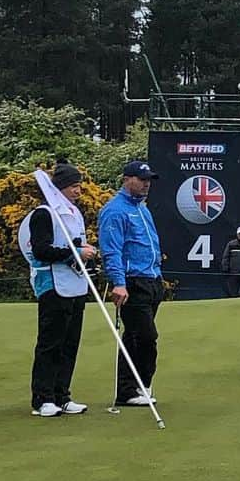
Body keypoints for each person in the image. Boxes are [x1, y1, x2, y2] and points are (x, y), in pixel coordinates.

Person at [18, 160, 94, 417]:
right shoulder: (44, 214)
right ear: (59, 188)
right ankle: (43, 398)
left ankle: (62, 395)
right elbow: (41, 250)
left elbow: (74, 245)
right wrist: (75, 253)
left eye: (79, 185)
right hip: (52, 284)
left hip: (75, 284)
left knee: (70, 343)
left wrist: (83, 252)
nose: (78, 190)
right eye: (73, 186)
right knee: (51, 343)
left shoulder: (73, 213)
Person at [98, 160, 164, 407]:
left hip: (151, 279)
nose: (146, 184)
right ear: (127, 179)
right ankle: (141, 384)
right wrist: (118, 282)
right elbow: (111, 250)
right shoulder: (115, 210)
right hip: (131, 282)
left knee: (134, 337)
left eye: (148, 180)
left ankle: (127, 390)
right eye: (141, 179)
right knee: (145, 336)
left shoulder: (142, 209)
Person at [221, 226, 240, 297]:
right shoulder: (231, 244)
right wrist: (225, 269)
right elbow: (226, 257)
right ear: (237, 234)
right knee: (233, 293)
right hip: (233, 274)